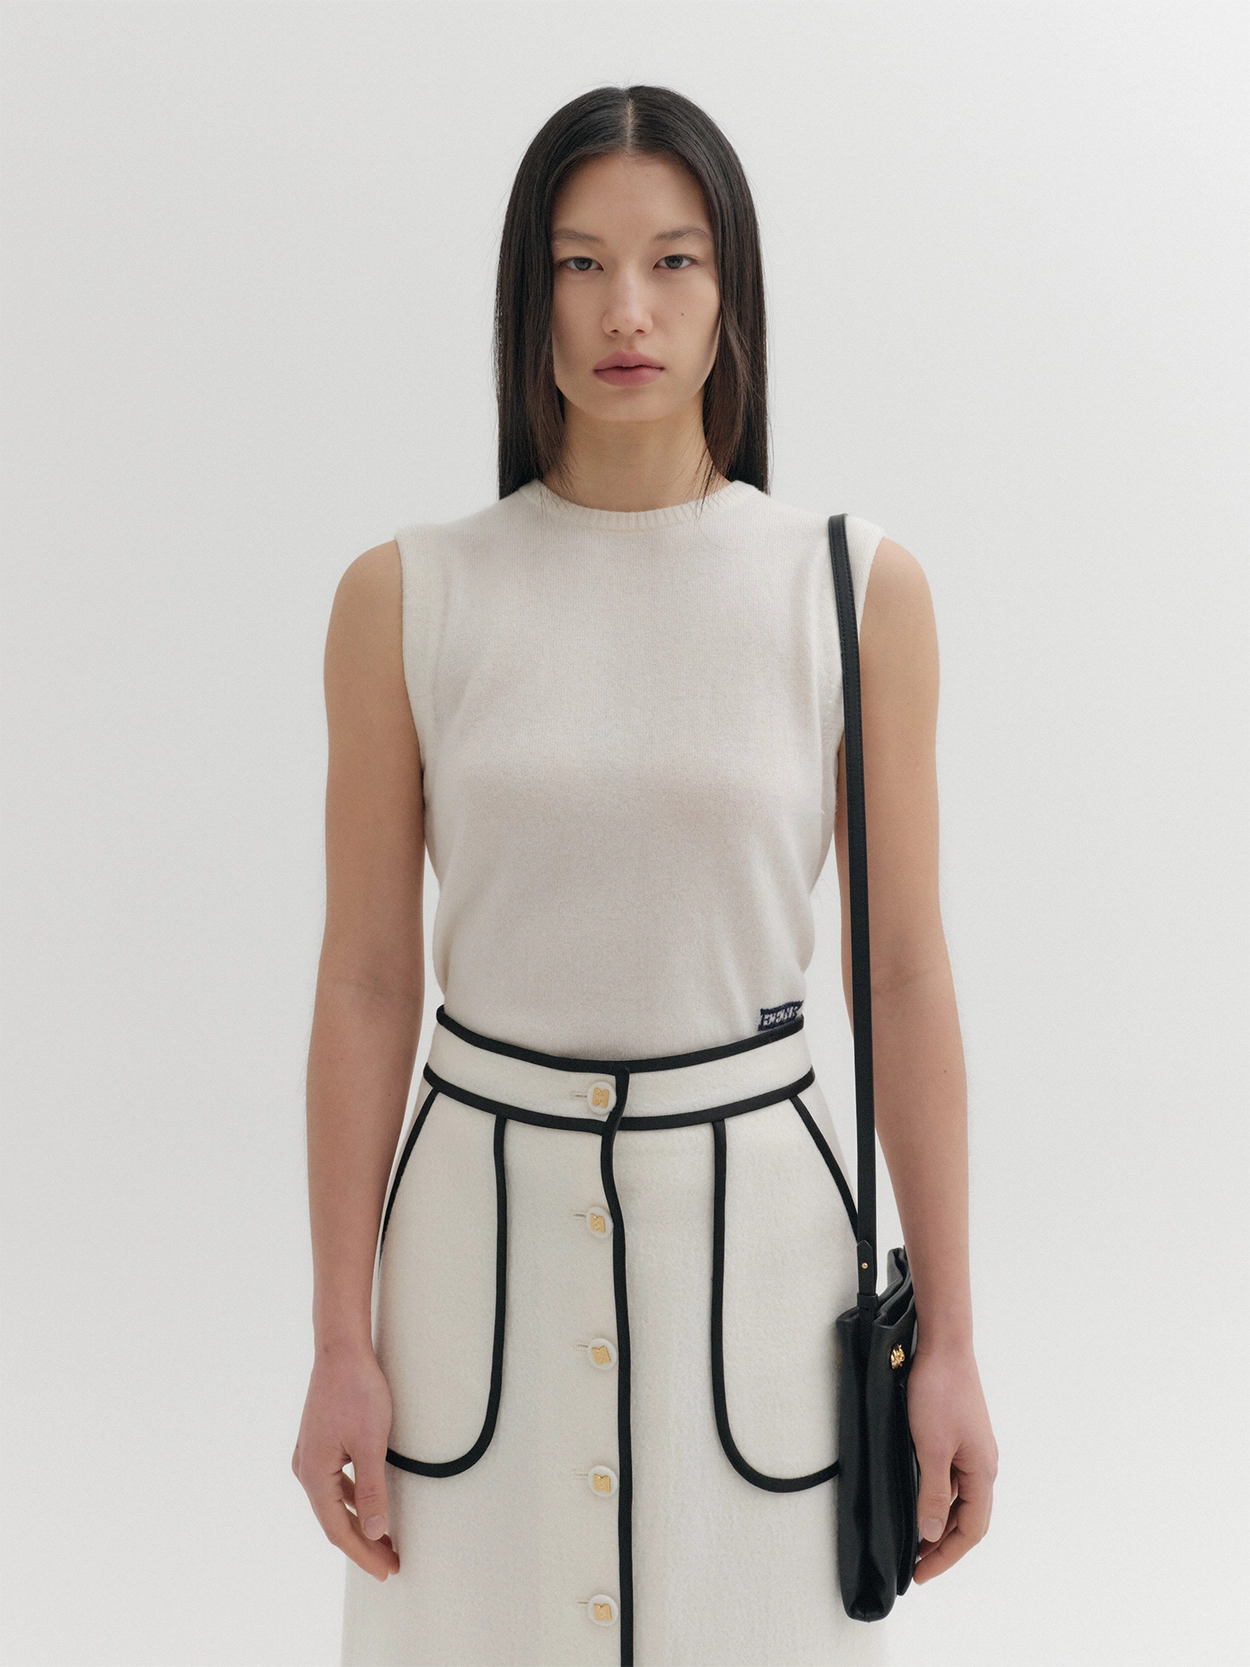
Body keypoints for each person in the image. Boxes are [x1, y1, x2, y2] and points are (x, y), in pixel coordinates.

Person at [292, 83, 998, 1667]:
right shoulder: (406, 597)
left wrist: (949, 1337)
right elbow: (365, 982)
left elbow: (901, 974)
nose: (626, 310)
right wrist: (339, 1335)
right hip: (472, 1269)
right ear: (524, 294)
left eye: (674, 260)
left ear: (730, 290)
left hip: (764, 1278)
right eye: (579, 262)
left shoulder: (851, 590)